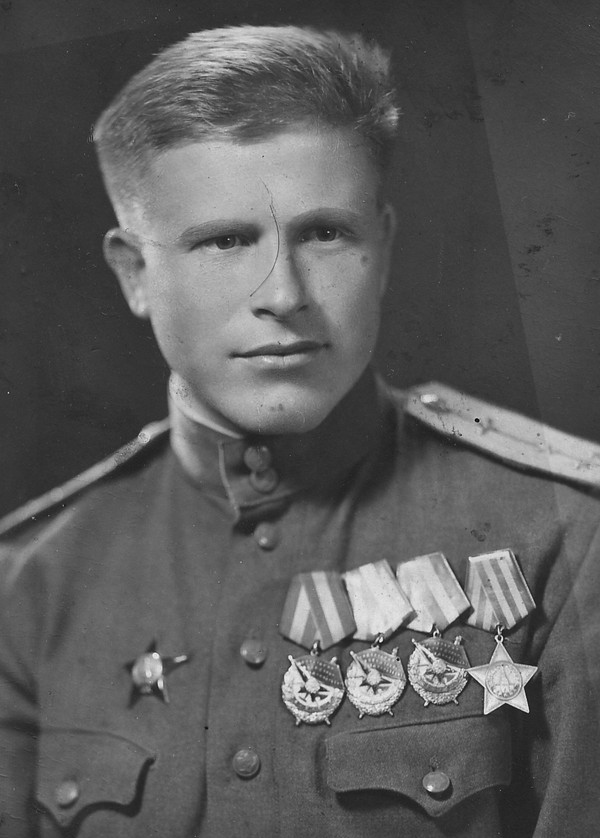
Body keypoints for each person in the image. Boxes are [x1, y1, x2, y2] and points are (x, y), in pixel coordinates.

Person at [0, 24, 599, 838]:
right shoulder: (28, 585)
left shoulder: (566, 534)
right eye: (224, 241)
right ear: (135, 274)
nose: (283, 294)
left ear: (383, 247)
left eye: (325, 233)